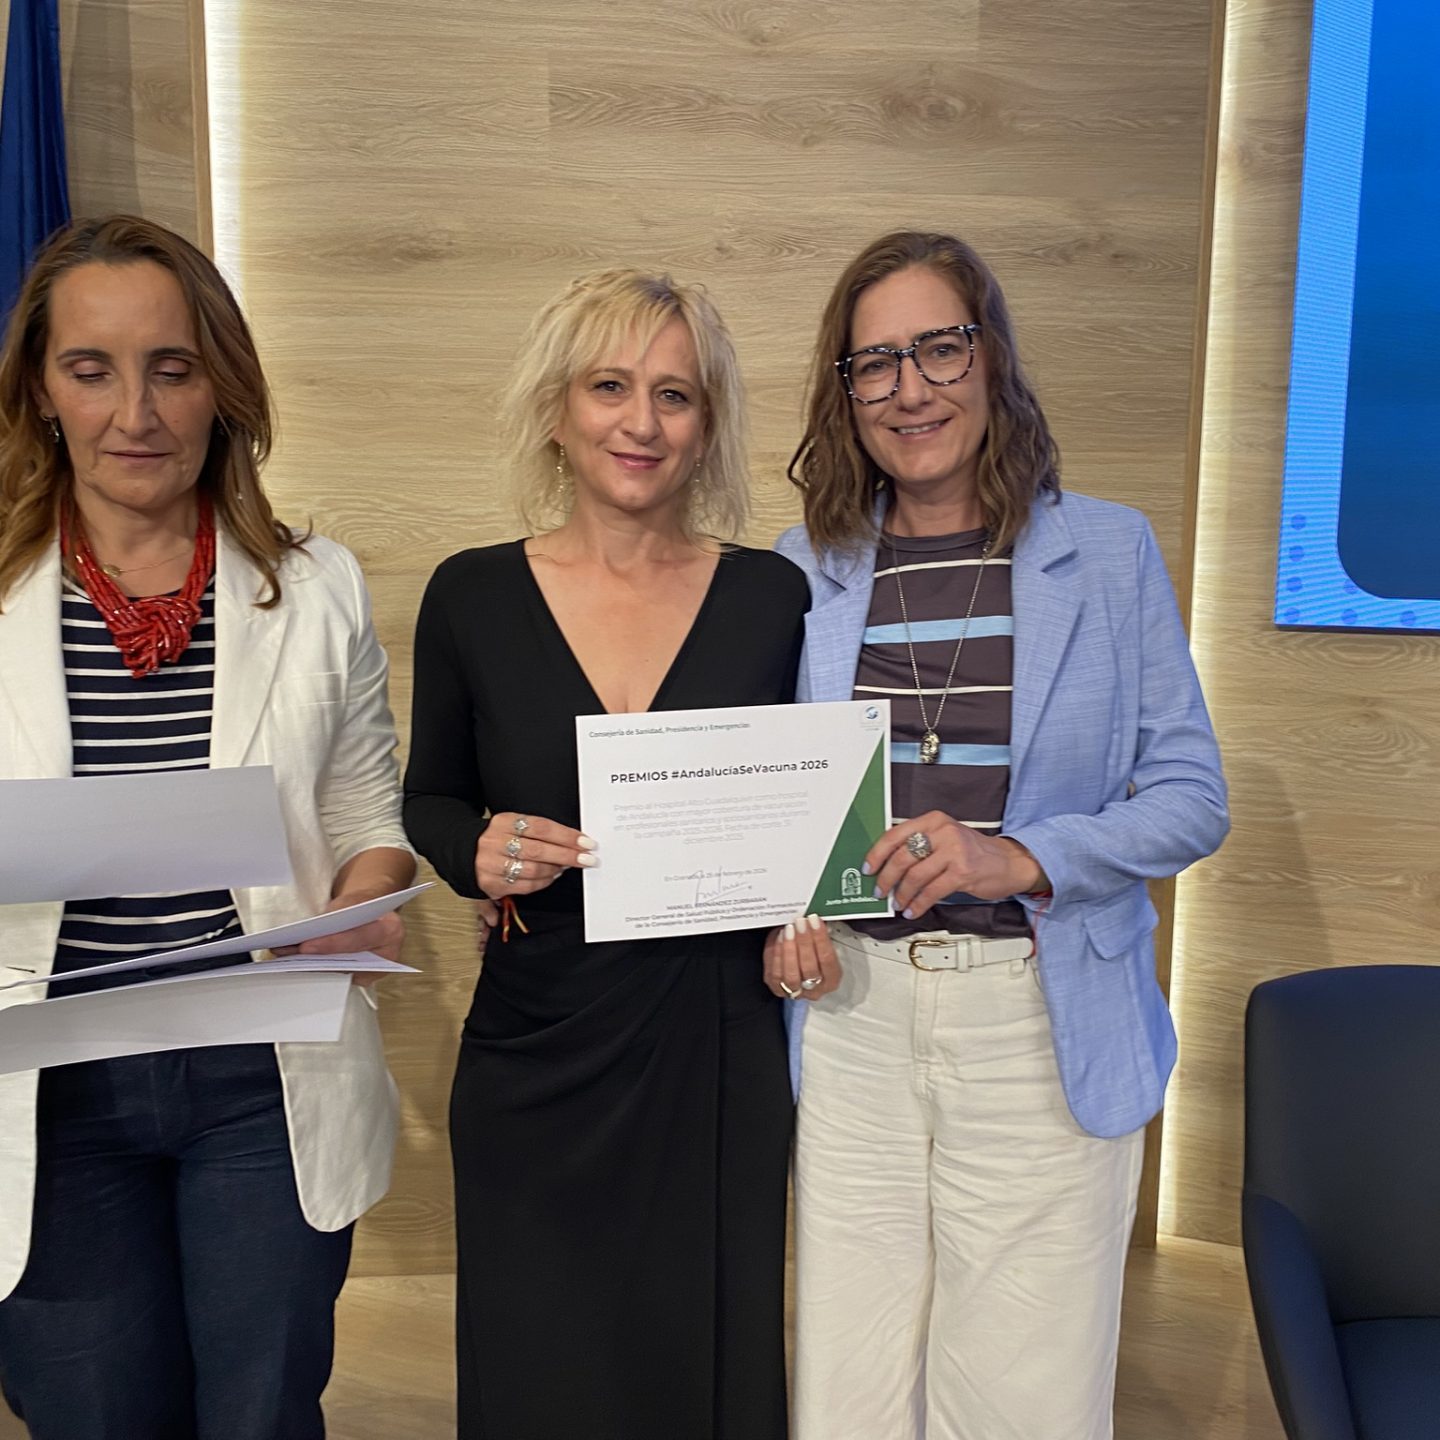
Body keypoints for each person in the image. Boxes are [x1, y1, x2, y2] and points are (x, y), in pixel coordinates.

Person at [773, 230, 1229, 1440]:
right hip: (854, 1021)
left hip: (1037, 1014)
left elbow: (1192, 795)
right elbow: (778, 804)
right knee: (849, 1397)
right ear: (844, 391)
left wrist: (1019, 857)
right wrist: (785, 914)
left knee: (1022, 1401)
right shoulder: (801, 570)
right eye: (875, 362)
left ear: (993, 359)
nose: (909, 388)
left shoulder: (1109, 552)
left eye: (939, 347)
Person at [0, 215, 415, 1440]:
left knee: (260, 1414)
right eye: (92, 369)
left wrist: (366, 902)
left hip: (260, 1086)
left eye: (171, 369)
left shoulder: (318, 584)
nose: (135, 412)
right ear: (42, 389)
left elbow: (367, 815)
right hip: (48, 1090)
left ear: (220, 384)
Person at [403, 269, 813, 1440]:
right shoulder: (472, 595)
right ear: (556, 408)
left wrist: (809, 910)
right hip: (538, 1040)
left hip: (717, 1044)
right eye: (610, 386)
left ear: (708, 424)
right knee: (542, 1361)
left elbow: (816, 803)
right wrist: (474, 847)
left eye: (675, 394)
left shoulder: (775, 597)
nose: (643, 422)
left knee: (703, 1355)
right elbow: (429, 797)